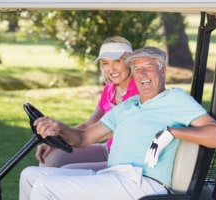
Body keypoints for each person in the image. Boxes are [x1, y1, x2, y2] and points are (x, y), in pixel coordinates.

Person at [20, 46, 216, 200]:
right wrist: (60, 127)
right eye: (137, 69)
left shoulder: (174, 99)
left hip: (143, 182)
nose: (143, 74)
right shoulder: (129, 105)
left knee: (45, 187)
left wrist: (170, 132)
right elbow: (84, 138)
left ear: (163, 70)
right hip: (114, 175)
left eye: (149, 67)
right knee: (30, 175)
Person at [35, 36, 139, 170]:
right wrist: (58, 141)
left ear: (129, 61)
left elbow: (93, 135)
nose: (111, 69)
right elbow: (88, 125)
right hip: (108, 150)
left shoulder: (139, 91)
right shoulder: (110, 89)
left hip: (125, 160)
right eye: (105, 63)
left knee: (67, 172)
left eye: (116, 61)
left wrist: (66, 134)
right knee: (51, 158)